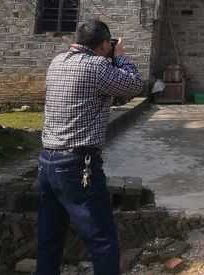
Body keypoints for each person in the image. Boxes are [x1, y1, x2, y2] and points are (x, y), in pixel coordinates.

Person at [37, 19, 143, 275]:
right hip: (78, 163)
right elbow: (134, 84)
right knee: (102, 238)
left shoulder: (57, 61)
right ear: (105, 44)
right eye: (109, 45)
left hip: (47, 161)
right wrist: (120, 57)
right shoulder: (96, 66)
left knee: (50, 235)